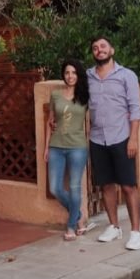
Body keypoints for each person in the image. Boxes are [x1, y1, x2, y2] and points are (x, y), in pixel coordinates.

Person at [87, 35, 140, 250]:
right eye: (95, 48)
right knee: (106, 184)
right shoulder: (88, 76)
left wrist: (133, 138)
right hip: (97, 139)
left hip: (121, 138)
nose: (99, 50)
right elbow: (77, 99)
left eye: (103, 46)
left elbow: (135, 109)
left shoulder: (127, 76)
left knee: (128, 186)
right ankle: (114, 227)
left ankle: (136, 232)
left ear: (112, 50)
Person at [43, 59, 92, 241]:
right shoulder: (55, 95)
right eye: (67, 73)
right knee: (55, 188)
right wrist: (46, 147)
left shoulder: (85, 96)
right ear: (63, 75)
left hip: (77, 147)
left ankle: (71, 227)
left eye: (73, 73)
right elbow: (50, 122)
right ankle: (78, 216)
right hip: (56, 146)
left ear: (78, 75)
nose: (70, 76)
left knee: (74, 187)